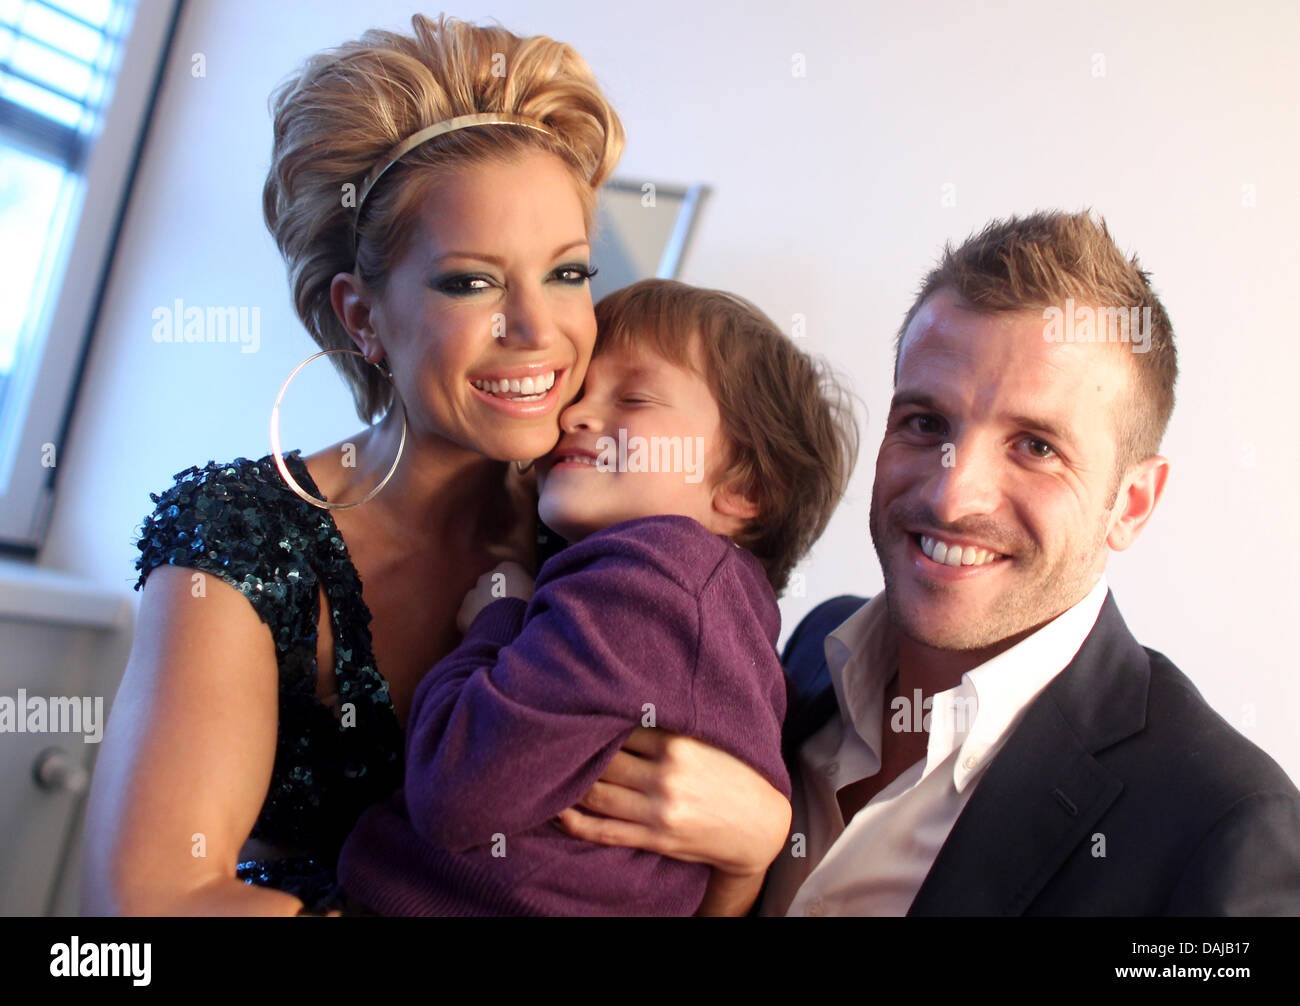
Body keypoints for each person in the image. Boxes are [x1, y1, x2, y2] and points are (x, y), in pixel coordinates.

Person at [80, 15, 791, 917]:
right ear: (362, 315)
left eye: (569, 273)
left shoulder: (628, 532)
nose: (539, 330)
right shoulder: (243, 541)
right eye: (471, 282)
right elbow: (138, 917)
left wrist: (750, 854)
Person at [759, 210, 1300, 915]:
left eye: (1036, 446)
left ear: (1133, 503)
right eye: (926, 424)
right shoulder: (808, 654)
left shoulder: (1226, 827)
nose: (953, 496)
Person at [336, 279, 857, 915]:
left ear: (743, 489)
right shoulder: (724, 617)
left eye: (634, 397)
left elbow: (455, 792)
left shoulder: (652, 575)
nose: (576, 416)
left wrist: (498, 621)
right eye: (579, 392)